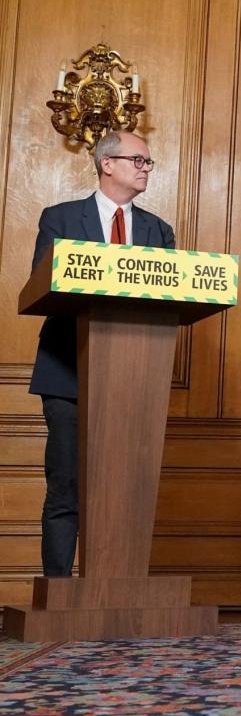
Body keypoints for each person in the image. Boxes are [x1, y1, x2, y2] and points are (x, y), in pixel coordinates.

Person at [30, 130, 175, 577]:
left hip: (135, 377)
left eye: (148, 162)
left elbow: (170, 297)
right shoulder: (60, 219)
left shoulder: (159, 231)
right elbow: (42, 286)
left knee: (124, 490)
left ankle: (118, 590)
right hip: (68, 373)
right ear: (106, 163)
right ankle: (57, 594)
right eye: (138, 160)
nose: (145, 168)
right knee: (66, 487)